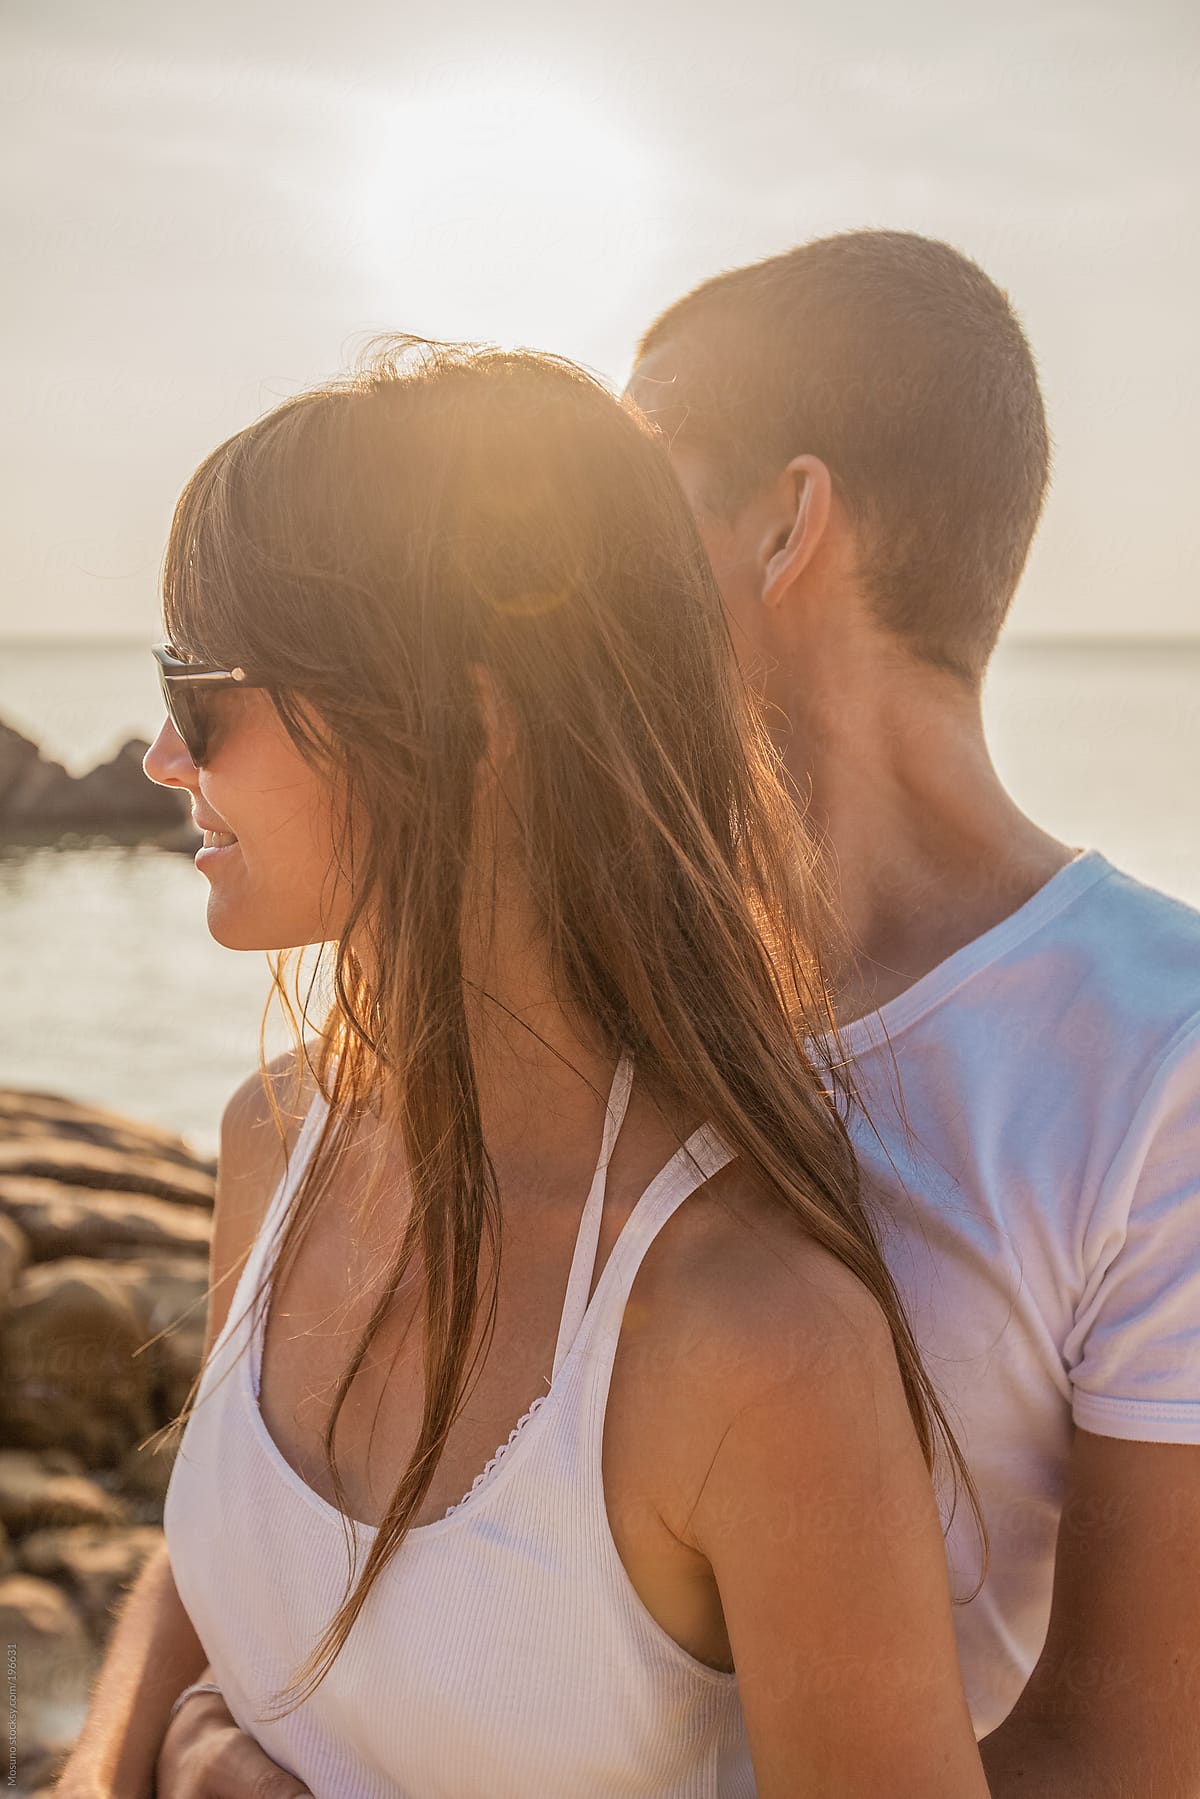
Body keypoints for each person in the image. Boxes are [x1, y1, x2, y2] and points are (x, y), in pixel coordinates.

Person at [55, 340, 990, 1798]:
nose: (167, 753)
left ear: (463, 723)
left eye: (207, 684)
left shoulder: (751, 1339)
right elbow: (216, 1553)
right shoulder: (277, 1138)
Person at [627, 229, 1200, 1797]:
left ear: (785, 526)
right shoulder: (609, 982)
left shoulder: (1167, 1058)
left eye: (632, 498)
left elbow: (1128, 1758)